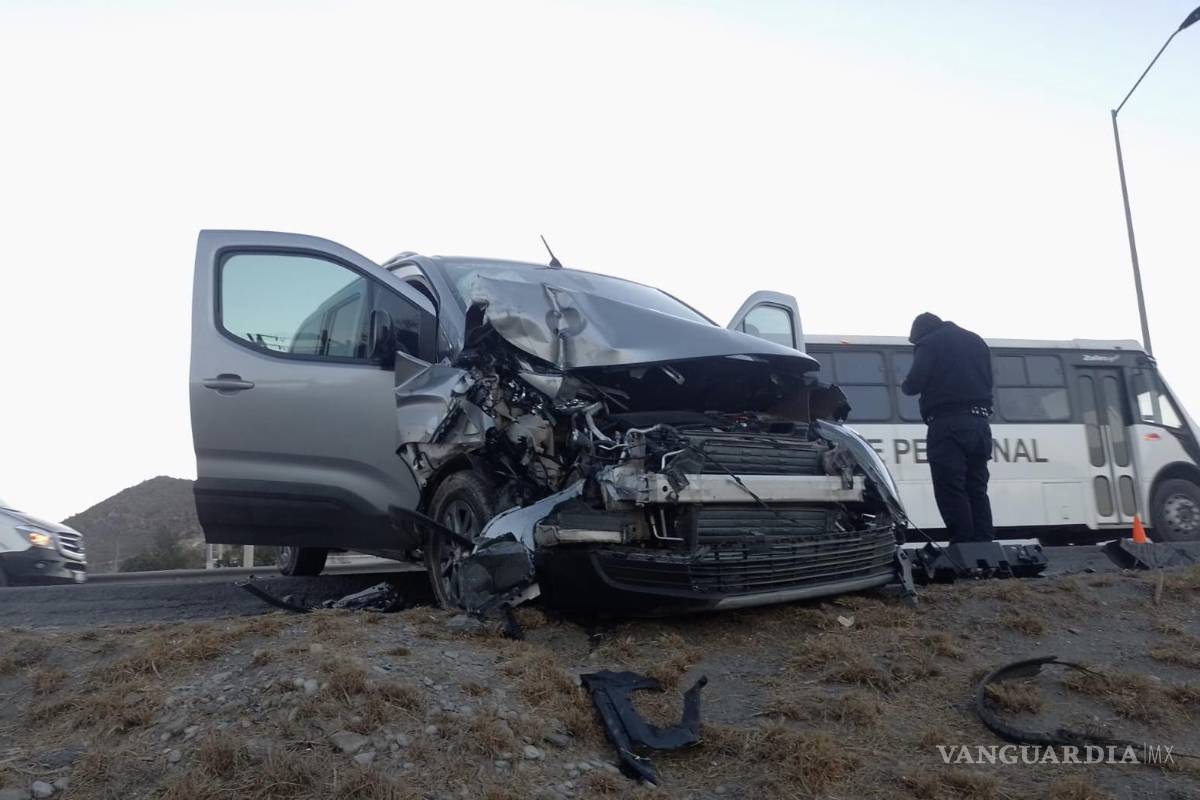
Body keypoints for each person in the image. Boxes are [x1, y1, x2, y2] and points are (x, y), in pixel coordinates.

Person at [901, 313, 995, 543]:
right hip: (980, 424)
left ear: (920, 332)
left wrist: (906, 384)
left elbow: (913, 384)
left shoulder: (929, 342)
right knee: (977, 488)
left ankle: (963, 546)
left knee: (950, 487)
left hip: (947, 424)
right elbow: (989, 380)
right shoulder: (976, 340)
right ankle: (984, 546)